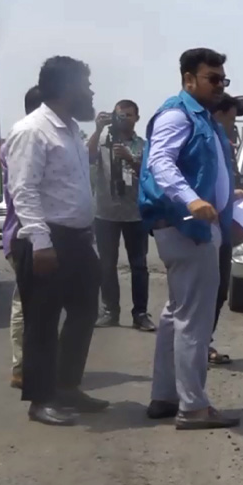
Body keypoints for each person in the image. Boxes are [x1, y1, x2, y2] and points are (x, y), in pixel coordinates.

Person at [140, 48, 242, 430]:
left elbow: (204, 169)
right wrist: (193, 199)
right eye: (212, 79)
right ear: (188, 79)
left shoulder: (201, 118)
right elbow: (161, 163)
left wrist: (231, 195)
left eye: (223, 80)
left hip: (192, 225)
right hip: (188, 227)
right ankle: (193, 406)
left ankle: (165, 397)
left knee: (175, 315)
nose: (219, 86)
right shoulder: (177, 114)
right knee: (194, 320)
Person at [4, 57, 107, 426]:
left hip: (78, 239)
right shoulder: (32, 130)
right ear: (67, 87)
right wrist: (41, 242)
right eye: (86, 84)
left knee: (83, 313)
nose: (91, 91)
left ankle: (66, 388)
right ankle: (40, 400)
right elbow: (24, 190)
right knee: (42, 321)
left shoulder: (71, 130)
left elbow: (76, 187)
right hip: (46, 239)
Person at [89, 100, 155, 332]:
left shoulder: (143, 145)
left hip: (135, 214)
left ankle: (140, 313)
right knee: (106, 265)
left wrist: (130, 158)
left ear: (137, 118)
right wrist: (97, 129)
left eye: (128, 115)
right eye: (119, 115)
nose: (123, 119)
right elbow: (85, 157)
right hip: (105, 213)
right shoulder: (103, 143)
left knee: (139, 265)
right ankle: (110, 311)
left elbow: (149, 175)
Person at [2, 85, 43, 389]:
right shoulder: (26, 138)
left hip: (41, 236)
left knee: (40, 304)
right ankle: (22, 367)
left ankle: (36, 363)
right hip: (26, 236)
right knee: (24, 303)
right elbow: (24, 193)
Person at [207, 93, 239, 365]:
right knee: (208, 291)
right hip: (210, 229)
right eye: (231, 119)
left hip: (224, 228)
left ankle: (203, 342)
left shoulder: (221, 142)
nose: (234, 125)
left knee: (219, 292)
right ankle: (199, 345)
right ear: (219, 116)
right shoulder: (210, 141)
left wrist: (233, 193)